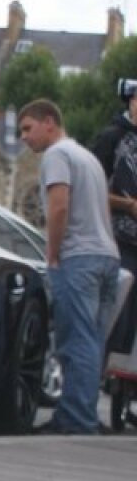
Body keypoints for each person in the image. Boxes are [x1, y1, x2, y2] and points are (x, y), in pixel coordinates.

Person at [18, 99, 120, 434]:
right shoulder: (87, 158)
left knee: (75, 341)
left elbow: (59, 204)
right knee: (92, 342)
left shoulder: (57, 155)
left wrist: (53, 249)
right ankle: (84, 414)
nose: (23, 138)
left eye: (27, 128)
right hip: (107, 257)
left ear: (49, 122)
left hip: (78, 258)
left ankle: (75, 419)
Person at [91, 79, 137, 363]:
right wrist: (128, 205)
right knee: (119, 308)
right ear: (130, 102)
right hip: (119, 238)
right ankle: (108, 368)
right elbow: (91, 188)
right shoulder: (112, 138)